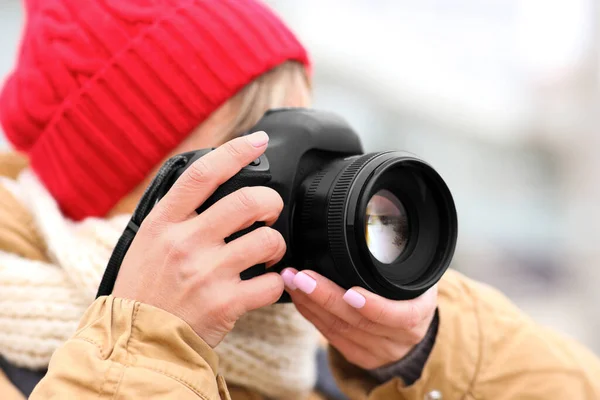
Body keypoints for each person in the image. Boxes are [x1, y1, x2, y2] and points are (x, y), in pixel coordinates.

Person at [0, 1, 598, 399]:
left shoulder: (318, 357)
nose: (295, 185)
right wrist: (149, 336)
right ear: (140, 200)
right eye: (258, 157)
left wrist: (430, 353)